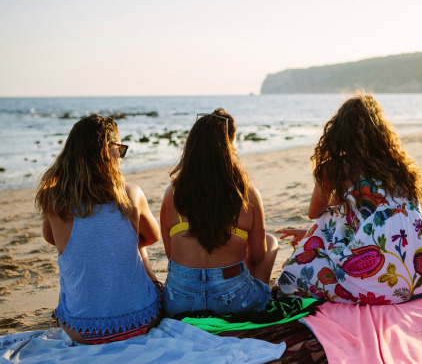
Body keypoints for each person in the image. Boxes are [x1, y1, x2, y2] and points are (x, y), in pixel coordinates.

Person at [276, 93, 422, 304]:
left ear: (338, 133)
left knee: (296, 271)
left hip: (378, 285)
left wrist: (315, 234)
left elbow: (314, 213)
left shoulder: (335, 168)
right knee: (350, 207)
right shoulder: (398, 167)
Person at [35, 114, 162, 344]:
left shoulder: (53, 198)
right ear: (110, 152)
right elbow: (152, 237)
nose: (121, 158)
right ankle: (151, 283)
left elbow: (51, 238)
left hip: (81, 330)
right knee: (138, 246)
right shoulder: (131, 194)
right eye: (120, 150)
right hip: (141, 322)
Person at [160, 108, 278, 317]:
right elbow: (257, 257)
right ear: (229, 146)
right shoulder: (247, 194)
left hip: (179, 301)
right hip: (233, 300)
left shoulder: (173, 193)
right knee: (270, 242)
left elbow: (172, 256)